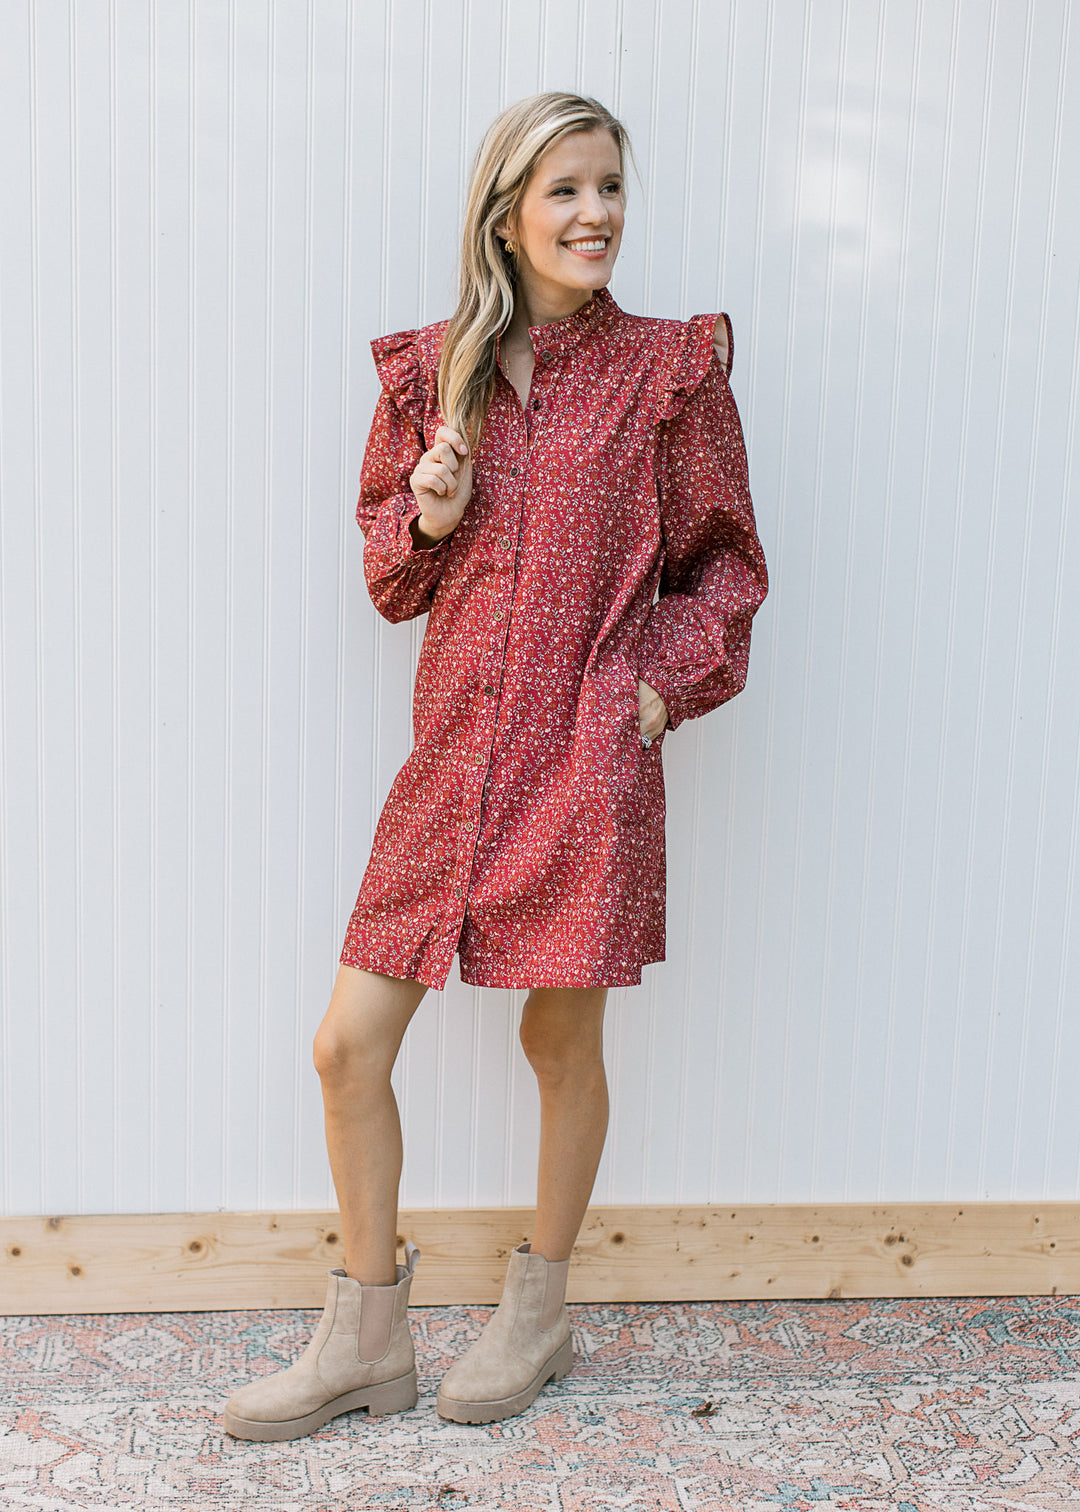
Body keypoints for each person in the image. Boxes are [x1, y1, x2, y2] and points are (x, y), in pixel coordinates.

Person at [221, 89, 768, 1442]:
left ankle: (539, 1308)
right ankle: (368, 1335)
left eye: (611, 188)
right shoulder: (429, 379)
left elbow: (728, 567)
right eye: (569, 190)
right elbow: (389, 584)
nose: (598, 215)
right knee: (348, 1047)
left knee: (556, 1033)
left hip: (583, 762)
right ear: (506, 213)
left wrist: (653, 691)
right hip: (451, 764)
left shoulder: (670, 371)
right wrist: (429, 514)